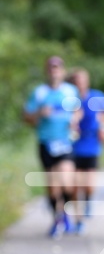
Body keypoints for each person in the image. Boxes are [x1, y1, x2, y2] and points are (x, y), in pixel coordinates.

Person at [23, 56, 78, 238]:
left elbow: (78, 111)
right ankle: (58, 218)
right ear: (47, 71)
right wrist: (39, 113)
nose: (54, 70)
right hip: (46, 143)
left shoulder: (70, 90)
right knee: (52, 186)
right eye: (51, 67)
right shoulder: (39, 93)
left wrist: (75, 120)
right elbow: (27, 117)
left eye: (57, 67)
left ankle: (67, 213)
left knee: (67, 181)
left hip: (65, 142)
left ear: (62, 71)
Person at [68, 68, 104, 234]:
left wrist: (103, 127)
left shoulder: (97, 95)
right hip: (74, 144)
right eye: (77, 80)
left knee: (89, 184)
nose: (80, 83)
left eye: (82, 79)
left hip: (92, 142)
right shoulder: (69, 97)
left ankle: (88, 200)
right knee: (75, 184)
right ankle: (78, 220)